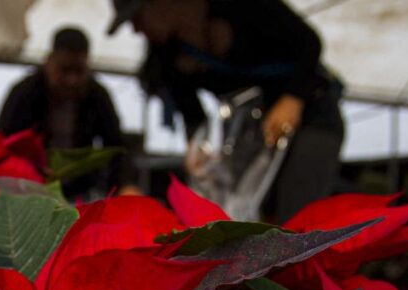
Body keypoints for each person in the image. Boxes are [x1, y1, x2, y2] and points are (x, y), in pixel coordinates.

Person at [110, 0, 345, 222]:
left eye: (138, 18)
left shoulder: (240, 6)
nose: (137, 30)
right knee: (249, 212)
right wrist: (196, 144)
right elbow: (190, 112)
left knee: (297, 213)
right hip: (256, 134)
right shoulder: (169, 56)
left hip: (311, 115)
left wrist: (292, 99)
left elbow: (308, 42)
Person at [0, 27, 132, 200]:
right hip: (30, 188)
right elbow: (6, 143)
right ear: (48, 62)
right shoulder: (24, 94)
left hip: (81, 189)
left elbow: (116, 146)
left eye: (79, 71)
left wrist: (124, 185)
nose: (72, 80)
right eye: (65, 70)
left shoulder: (97, 96)